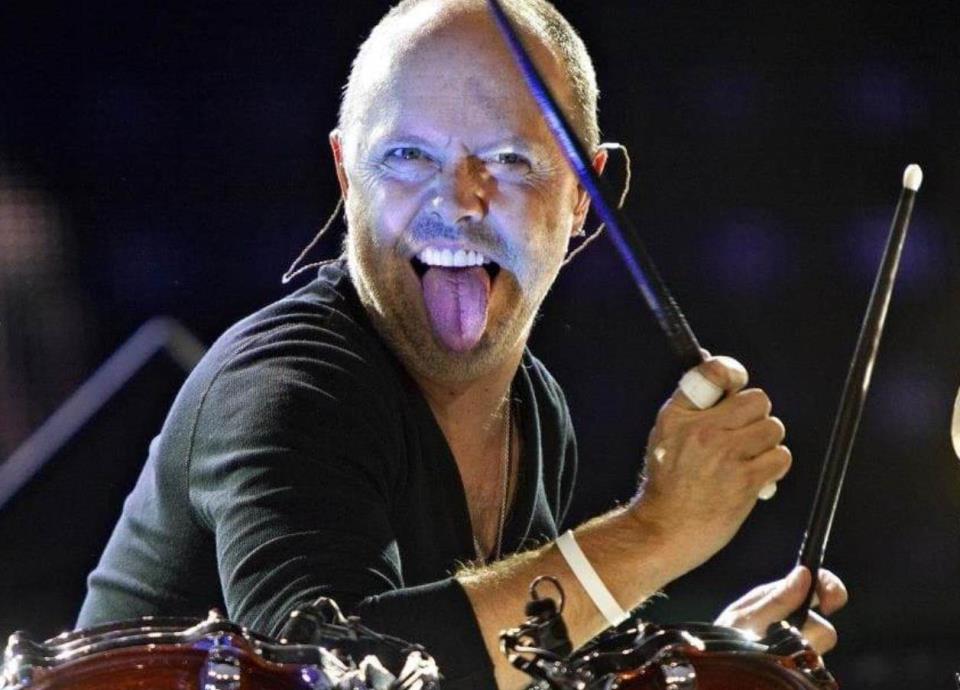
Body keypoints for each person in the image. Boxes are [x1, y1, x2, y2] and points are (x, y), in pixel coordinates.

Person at [78, 1, 848, 688]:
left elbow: (490, 668)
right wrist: (649, 534)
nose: (457, 200)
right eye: (408, 156)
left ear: (583, 194)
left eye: (510, 160)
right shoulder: (286, 389)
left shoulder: (535, 408)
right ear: (346, 173)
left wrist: (711, 661)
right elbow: (332, 674)